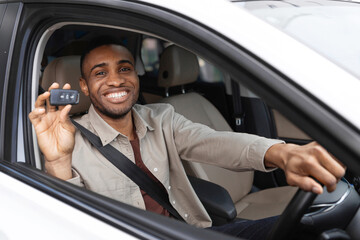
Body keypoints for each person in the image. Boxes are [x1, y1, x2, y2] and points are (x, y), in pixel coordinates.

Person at [29, 39, 345, 239]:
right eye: (100, 73)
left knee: (308, 230)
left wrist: (283, 152)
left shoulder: (161, 117)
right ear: (83, 87)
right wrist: (58, 162)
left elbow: (216, 142)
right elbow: (68, 222)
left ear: (136, 77)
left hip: (192, 232)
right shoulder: (67, 139)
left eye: (124, 68)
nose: (115, 80)